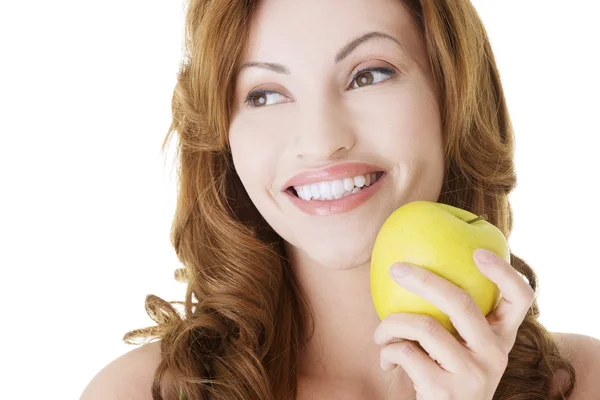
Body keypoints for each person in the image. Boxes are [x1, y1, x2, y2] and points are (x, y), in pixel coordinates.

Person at [80, 0, 600, 399]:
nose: (321, 139)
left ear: (453, 96)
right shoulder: (141, 393)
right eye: (263, 93)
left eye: (369, 74)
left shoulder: (585, 382)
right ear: (223, 135)